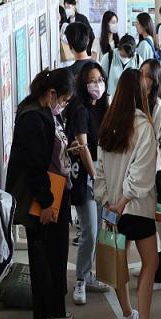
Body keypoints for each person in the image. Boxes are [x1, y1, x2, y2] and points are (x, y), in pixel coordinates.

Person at [95, 69, 161, 319]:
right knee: (150, 262)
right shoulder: (143, 126)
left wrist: (108, 202)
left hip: (113, 209)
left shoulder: (108, 124)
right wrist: (124, 201)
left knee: (119, 260)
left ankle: (128, 315)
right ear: (140, 94)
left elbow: (100, 170)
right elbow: (142, 172)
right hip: (136, 207)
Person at [6, 68, 75, 319]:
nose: (64, 104)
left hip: (55, 192)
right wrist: (46, 203)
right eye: (64, 99)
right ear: (51, 94)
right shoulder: (33, 117)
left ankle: (53, 310)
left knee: (56, 253)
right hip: (41, 198)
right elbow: (35, 167)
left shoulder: (45, 112)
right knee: (42, 259)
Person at [66, 62, 110, 305]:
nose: (97, 85)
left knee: (100, 231)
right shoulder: (80, 109)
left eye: (100, 80)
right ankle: (81, 279)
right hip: (87, 177)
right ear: (84, 84)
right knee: (89, 230)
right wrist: (95, 176)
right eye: (92, 81)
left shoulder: (104, 107)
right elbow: (82, 148)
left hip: (104, 175)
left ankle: (90, 275)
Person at [140, 58, 161, 290]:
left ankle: (159, 272)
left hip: (156, 171)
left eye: (146, 76)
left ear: (155, 79)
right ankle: (152, 266)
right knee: (150, 219)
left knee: (157, 221)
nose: (142, 79)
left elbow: (154, 139)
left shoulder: (157, 105)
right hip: (147, 168)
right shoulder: (143, 101)